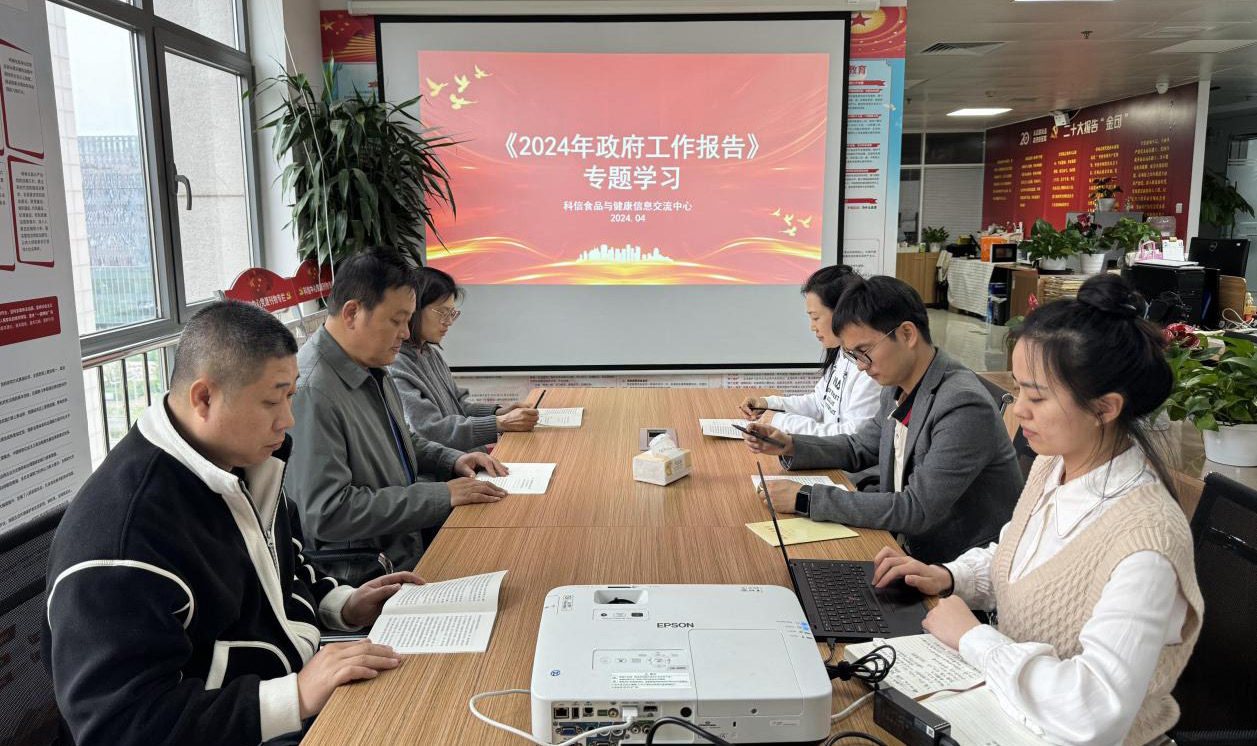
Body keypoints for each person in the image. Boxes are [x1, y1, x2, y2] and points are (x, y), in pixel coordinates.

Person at [46, 301, 422, 746]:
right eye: (271, 400)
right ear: (203, 398)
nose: (287, 420)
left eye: (290, 396)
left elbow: (281, 565)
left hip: (284, 688)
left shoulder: (238, 461)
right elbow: (120, 728)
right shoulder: (123, 541)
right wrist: (296, 696)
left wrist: (343, 604)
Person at [871, 274, 1203, 746]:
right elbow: (1016, 560)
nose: (1019, 409)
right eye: (1018, 390)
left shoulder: (1147, 542)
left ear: (1105, 408)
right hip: (1008, 714)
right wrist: (947, 576)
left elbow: (1094, 713)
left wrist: (974, 639)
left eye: (1038, 396)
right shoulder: (1053, 466)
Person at [744, 275, 1022, 564]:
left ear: (907, 334)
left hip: (952, 565)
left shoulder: (962, 404)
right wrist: (791, 445)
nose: (861, 367)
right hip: (903, 547)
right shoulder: (899, 385)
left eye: (864, 352)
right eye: (854, 355)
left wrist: (806, 498)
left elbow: (916, 509)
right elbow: (860, 447)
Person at [285, 250, 507, 583]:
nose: (405, 333)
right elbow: (328, 513)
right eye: (396, 320)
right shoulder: (313, 391)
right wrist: (442, 495)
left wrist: (452, 460)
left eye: (408, 320)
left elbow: (401, 437)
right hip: (368, 575)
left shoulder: (369, 363)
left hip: (404, 546)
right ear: (352, 313)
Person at [389, 266, 537, 452]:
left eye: (451, 313)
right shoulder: (396, 364)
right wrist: (499, 423)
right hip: (452, 465)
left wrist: (499, 412)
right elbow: (429, 430)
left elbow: (458, 407)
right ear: (414, 309)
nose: (449, 322)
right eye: (442, 312)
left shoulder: (430, 354)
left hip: (470, 457)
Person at [737, 265, 881, 437]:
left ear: (841, 313)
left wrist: (779, 421)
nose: (812, 327)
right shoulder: (841, 353)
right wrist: (767, 404)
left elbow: (854, 436)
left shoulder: (869, 368)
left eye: (816, 318)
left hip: (839, 453)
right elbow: (819, 403)